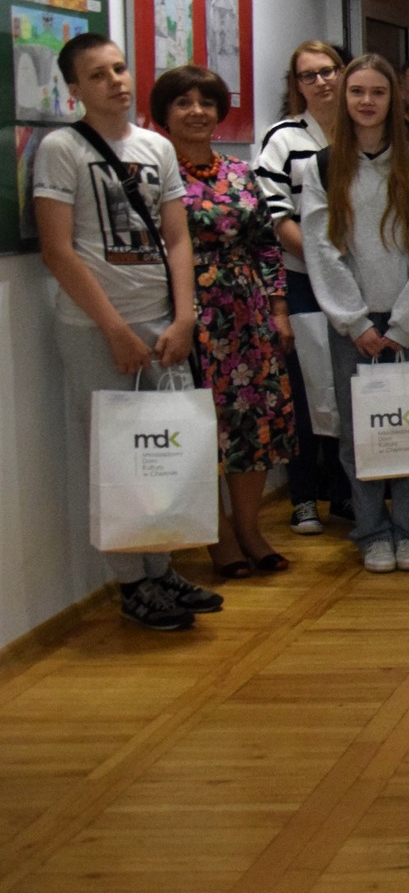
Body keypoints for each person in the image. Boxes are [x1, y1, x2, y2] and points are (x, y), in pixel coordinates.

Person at [37, 33, 219, 631]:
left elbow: (177, 237)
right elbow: (58, 250)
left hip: (161, 320)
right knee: (114, 453)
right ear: (74, 89)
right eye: (98, 75)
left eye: (119, 68)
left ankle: (162, 567)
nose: (115, 81)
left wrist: (184, 316)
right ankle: (131, 581)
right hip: (96, 325)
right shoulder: (62, 149)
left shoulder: (156, 147)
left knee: (163, 449)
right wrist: (113, 328)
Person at [302, 54, 409, 574]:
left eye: (378, 92)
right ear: (344, 98)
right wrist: (356, 322)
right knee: (360, 434)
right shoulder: (322, 167)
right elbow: (321, 250)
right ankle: (371, 532)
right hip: (354, 328)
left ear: (393, 100)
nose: (367, 101)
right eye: (357, 91)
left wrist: (405, 323)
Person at [153, 65, 296, 578]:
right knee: (198, 427)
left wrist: (278, 309)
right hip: (188, 316)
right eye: (184, 102)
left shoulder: (239, 172)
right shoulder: (156, 174)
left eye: (206, 102)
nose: (197, 112)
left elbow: (266, 245)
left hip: (248, 315)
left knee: (254, 425)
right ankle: (217, 536)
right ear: (164, 113)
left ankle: (249, 528)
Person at [258, 39, 349, 535]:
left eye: (328, 70)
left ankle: (346, 494)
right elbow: (276, 216)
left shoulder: (364, 130)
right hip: (305, 281)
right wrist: (323, 266)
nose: (321, 81)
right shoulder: (283, 138)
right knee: (308, 392)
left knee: (350, 387)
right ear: (296, 85)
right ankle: (303, 498)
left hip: (360, 282)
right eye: (309, 75)